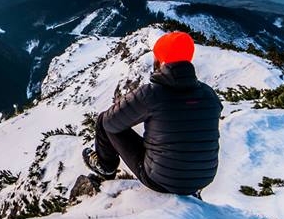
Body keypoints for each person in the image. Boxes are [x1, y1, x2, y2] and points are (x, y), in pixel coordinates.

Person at [82, 31, 222, 196]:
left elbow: (110, 122)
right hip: (202, 178)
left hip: (160, 180)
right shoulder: (209, 94)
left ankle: (106, 167)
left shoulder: (152, 94)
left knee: (103, 120)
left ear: (161, 60)